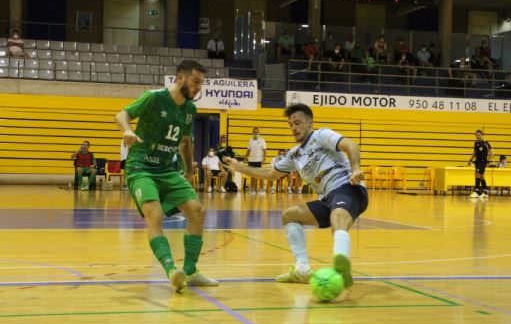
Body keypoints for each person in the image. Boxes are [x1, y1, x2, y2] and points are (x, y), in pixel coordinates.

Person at [223, 103, 368, 288]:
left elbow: (350, 145)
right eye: (291, 125)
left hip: (349, 187)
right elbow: (270, 174)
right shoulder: (295, 154)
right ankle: (302, 270)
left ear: (310, 123)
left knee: (337, 216)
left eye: (297, 123)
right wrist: (239, 167)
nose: (293, 128)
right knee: (289, 215)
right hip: (327, 198)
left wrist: (356, 169)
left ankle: (341, 268)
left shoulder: (321, 135)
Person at [115, 60, 218, 293]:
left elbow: (185, 141)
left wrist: (189, 170)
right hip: (141, 166)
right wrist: (128, 130)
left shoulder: (190, 110)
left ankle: (190, 271)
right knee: (155, 213)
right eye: (195, 82)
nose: (198, 88)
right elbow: (122, 114)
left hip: (166, 170)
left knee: (197, 211)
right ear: (180, 79)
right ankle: (172, 270)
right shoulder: (154, 97)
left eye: (201, 83)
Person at [468, 130, 493, 198]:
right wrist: (470, 159)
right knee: (481, 176)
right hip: (477, 161)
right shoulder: (476, 143)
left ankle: (477, 192)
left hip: (483, 161)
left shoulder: (486, 143)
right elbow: (475, 152)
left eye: (479, 135)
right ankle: (485, 192)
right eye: (476, 135)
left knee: (477, 174)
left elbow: (491, 152)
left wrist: (488, 161)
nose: (477, 136)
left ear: (482, 135)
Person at [245, 127, 267, 193]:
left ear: (259, 133)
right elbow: (248, 150)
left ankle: (262, 189)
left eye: (257, 132)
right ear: (252, 132)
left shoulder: (262, 140)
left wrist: (264, 159)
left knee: (260, 175)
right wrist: (245, 157)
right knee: (252, 175)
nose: (255, 133)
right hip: (251, 160)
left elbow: (265, 150)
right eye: (254, 132)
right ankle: (253, 189)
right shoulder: (250, 140)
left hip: (259, 160)